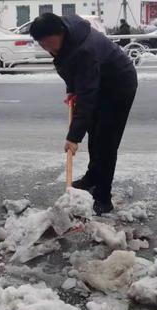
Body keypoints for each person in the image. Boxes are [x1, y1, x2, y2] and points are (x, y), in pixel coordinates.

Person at [29, 13, 137, 215]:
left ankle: (103, 197)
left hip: (117, 86)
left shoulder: (85, 50)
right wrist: (71, 87)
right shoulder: (64, 37)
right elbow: (69, 67)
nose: (50, 50)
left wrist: (73, 137)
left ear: (61, 32)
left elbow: (87, 97)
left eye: (51, 44)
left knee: (105, 141)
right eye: (44, 46)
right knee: (94, 134)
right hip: (95, 82)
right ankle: (92, 177)